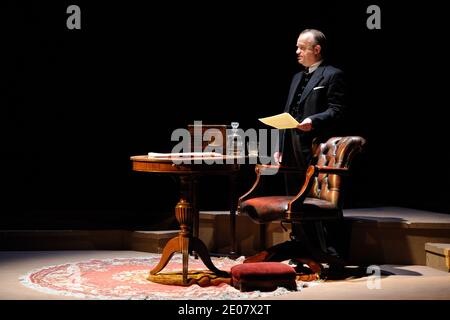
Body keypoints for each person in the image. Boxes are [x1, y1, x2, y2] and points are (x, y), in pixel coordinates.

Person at [274, 29, 347, 184]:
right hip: (290, 145)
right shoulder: (296, 77)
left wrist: (313, 120)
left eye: (302, 48)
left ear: (317, 49)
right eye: (297, 47)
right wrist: (280, 147)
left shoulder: (332, 74)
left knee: (310, 192)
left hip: (312, 144)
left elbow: (336, 110)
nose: (297, 51)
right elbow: (288, 111)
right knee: (292, 193)